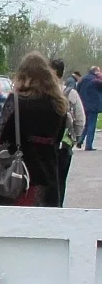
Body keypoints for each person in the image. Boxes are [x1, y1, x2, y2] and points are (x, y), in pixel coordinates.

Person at [0, 52, 68, 208]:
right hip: (48, 173)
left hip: (20, 174)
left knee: (11, 225)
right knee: (42, 227)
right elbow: (58, 138)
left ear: (22, 76)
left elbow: (0, 136)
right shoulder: (59, 104)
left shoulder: (16, 101)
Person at [52, 58, 85, 205]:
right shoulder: (71, 93)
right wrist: (75, 138)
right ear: (62, 73)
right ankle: (58, 207)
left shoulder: (41, 92)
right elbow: (80, 119)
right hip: (64, 145)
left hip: (44, 145)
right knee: (60, 181)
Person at [77, 66, 102, 151]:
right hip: (93, 106)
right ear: (96, 72)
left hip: (83, 105)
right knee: (92, 125)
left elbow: (78, 89)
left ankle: (80, 140)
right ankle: (89, 145)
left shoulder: (83, 79)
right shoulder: (96, 80)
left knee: (86, 124)